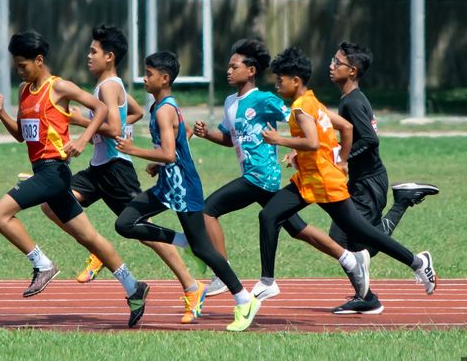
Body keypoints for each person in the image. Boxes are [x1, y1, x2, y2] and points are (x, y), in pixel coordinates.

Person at [184, 38, 372, 305]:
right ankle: (348, 257)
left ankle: (220, 274)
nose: (228, 70)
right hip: (259, 178)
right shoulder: (229, 102)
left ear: (250, 71)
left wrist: (305, 141)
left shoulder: (265, 99)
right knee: (298, 229)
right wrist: (206, 134)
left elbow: (301, 117)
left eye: (234, 66)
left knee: (207, 210)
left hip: (261, 176)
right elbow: (228, 139)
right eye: (228, 66)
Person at [40, 25, 204, 324]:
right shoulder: (110, 85)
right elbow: (135, 113)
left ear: (109, 56)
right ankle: (100, 251)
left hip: (117, 170)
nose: (88, 56)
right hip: (99, 169)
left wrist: (80, 122)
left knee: (147, 233)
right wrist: (101, 130)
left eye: (93, 52)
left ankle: (192, 288)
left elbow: (114, 128)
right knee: (51, 204)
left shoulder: (108, 86)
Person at [0, 31, 149, 328]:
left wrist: (84, 138)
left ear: (39, 60)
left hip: (55, 172)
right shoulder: (25, 91)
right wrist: (0, 113)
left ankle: (42, 264)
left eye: (23, 65)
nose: (19, 71)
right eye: (16, 66)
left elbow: (101, 109)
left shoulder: (59, 86)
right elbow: (22, 134)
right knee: (90, 238)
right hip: (43, 172)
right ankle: (133, 287)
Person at [257, 47, 436, 297]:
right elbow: (345, 128)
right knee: (269, 215)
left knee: (363, 234)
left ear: (295, 80)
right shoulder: (313, 101)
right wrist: (338, 160)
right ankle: (268, 282)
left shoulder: (304, 106)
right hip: (311, 180)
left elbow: (315, 141)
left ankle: (415, 262)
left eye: (280, 80)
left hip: (328, 182)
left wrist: (281, 141)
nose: (276, 85)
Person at [114, 51, 262, 332]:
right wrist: (158, 166)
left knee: (205, 250)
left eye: (149, 74)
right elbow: (180, 142)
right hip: (167, 185)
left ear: (164, 78)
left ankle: (245, 300)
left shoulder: (166, 109)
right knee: (125, 223)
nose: (144, 78)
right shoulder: (162, 106)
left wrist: (138, 151)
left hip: (183, 188)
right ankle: (183, 241)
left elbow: (169, 153)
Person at [326, 41, 439, 315]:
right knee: (349, 241)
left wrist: (342, 160)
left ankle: (411, 247)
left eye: (336, 62)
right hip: (362, 181)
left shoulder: (352, 102)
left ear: (352, 71)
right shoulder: (350, 99)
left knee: (351, 241)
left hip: (369, 182)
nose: (330, 66)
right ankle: (365, 297)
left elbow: (369, 140)